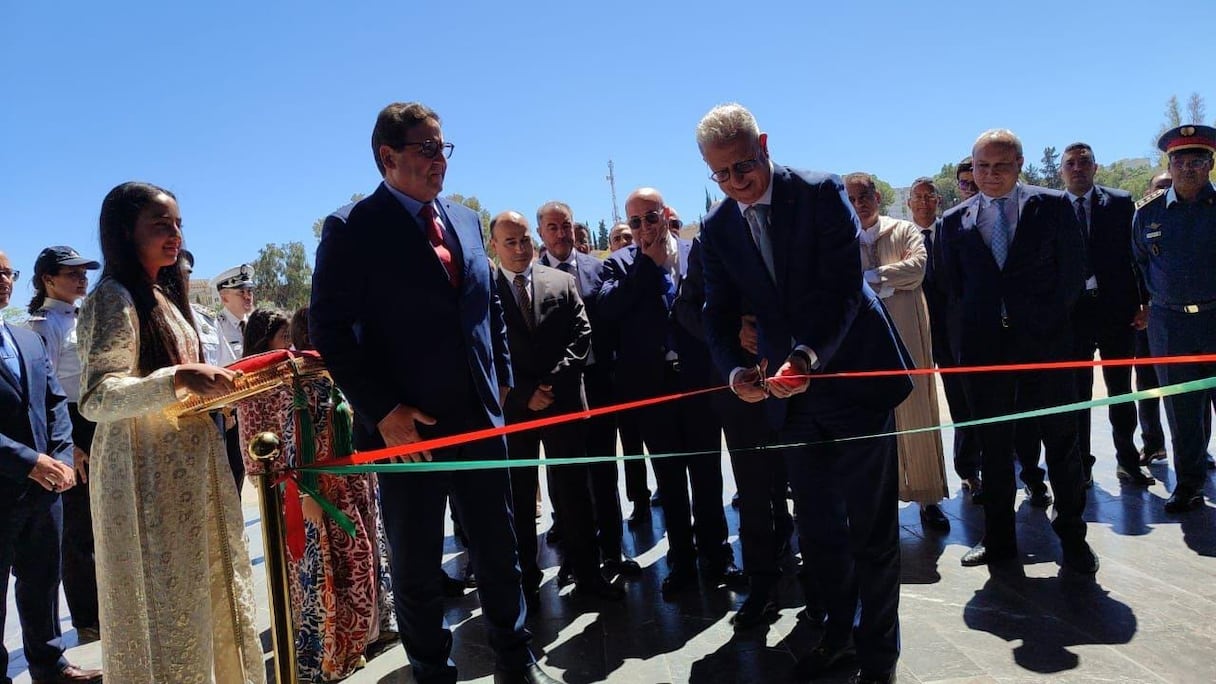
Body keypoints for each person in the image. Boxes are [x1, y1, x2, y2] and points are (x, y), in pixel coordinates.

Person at [309, 102, 556, 684]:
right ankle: (431, 671)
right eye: (426, 148)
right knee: (418, 566)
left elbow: (489, 307)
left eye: (443, 147)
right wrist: (383, 411)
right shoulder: (352, 228)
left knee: (499, 552)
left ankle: (516, 660)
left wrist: (500, 381)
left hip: (480, 422)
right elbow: (328, 330)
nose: (439, 159)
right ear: (387, 157)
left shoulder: (466, 220)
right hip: (408, 433)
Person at [696, 103, 912, 684]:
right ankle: (838, 637)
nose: (737, 183)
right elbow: (715, 313)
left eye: (745, 166)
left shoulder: (819, 192)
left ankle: (879, 660)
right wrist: (735, 372)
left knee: (871, 531)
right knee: (818, 532)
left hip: (851, 380)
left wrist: (806, 356)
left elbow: (845, 289)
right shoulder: (718, 227)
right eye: (722, 174)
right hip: (787, 400)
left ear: (763, 144)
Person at [77, 181, 263, 682]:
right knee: (167, 602)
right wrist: (176, 379)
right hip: (144, 477)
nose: (175, 234)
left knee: (209, 591)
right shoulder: (112, 297)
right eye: (161, 225)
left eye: (179, 224)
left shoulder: (164, 294)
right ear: (126, 232)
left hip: (190, 469)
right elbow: (97, 397)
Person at [938, 129, 1096, 574]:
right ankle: (999, 539)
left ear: (1020, 165)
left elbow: (1073, 274)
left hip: (1046, 348)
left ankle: (1073, 537)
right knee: (994, 449)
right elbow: (953, 288)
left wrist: (1041, 320)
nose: (990, 175)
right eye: (982, 166)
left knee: (1061, 444)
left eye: (1001, 166)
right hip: (986, 355)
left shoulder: (1053, 206)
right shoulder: (954, 221)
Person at [599, 187, 742, 597]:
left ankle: (718, 556)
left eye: (651, 217)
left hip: (698, 382)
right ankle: (681, 560)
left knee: (707, 474)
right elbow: (609, 309)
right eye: (635, 222)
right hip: (654, 390)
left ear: (665, 215)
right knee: (671, 480)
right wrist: (648, 265)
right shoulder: (619, 264)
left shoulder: (697, 252)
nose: (644, 227)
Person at [490, 210, 625, 609]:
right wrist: (523, 394)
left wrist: (549, 385)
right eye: (510, 242)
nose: (520, 249)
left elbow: (582, 336)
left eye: (524, 240)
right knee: (518, 497)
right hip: (514, 410)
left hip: (563, 403)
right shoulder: (483, 291)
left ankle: (588, 575)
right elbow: (485, 350)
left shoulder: (561, 282)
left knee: (575, 494)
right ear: (494, 246)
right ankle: (526, 582)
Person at [673, 235, 796, 629]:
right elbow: (686, 308)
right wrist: (732, 332)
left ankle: (820, 579)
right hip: (741, 386)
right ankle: (762, 586)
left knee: (806, 480)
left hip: (800, 378)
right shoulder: (713, 238)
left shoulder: (791, 221)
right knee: (753, 490)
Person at [0, 251, 102, 684]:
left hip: (44, 484)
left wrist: (60, 454)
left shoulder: (25, 339)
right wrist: (29, 460)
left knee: (42, 578)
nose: (4, 280)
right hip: (8, 479)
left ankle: (49, 663)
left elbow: (55, 400)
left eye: (8, 273)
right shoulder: (40, 328)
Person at [535, 201, 640, 572]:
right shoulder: (532, 277)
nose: (561, 234)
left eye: (566, 226)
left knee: (604, 469)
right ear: (540, 233)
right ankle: (576, 558)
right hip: (557, 391)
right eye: (552, 227)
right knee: (565, 477)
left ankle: (612, 551)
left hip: (599, 384)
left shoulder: (598, 268)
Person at [845, 173, 949, 532]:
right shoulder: (843, 239)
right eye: (851, 199)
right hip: (864, 342)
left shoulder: (903, 230)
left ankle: (928, 499)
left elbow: (916, 269)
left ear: (877, 197)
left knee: (918, 410)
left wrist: (870, 277)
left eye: (864, 196)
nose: (859, 205)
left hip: (908, 332)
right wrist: (889, 280)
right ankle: (878, 502)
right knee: (871, 420)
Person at [1131, 124, 1216, 513]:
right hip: (1170, 325)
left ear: (1209, 164)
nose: (1187, 168)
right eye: (1179, 161)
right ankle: (1189, 485)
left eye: (1196, 160)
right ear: (1169, 164)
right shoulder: (1147, 213)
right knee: (1181, 412)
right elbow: (1139, 263)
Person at [1060, 143, 1153, 486]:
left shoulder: (1119, 202)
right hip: (1073, 315)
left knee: (1121, 391)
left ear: (1095, 168)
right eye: (1071, 163)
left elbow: (1135, 257)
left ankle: (1128, 461)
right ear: (1062, 171)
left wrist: (1143, 302)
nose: (1078, 168)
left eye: (1084, 162)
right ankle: (1081, 466)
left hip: (1116, 310)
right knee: (1076, 393)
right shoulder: (1051, 207)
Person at [24, 246, 103, 642]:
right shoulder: (43, 325)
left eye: (84, 272)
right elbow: (45, 391)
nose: (81, 278)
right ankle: (88, 618)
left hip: (96, 418)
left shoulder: (85, 316)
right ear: (48, 280)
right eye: (71, 273)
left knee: (103, 520)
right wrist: (67, 443)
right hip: (71, 425)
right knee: (79, 529)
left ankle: (107, 606)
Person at [909, 178, 982, 501]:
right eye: (918, 197)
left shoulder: (954, 230)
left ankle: (969, 470)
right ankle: (922, 480)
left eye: (930, 196)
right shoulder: (900, 236)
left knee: (964, 401)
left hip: (957, 333)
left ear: (938, 200)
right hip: (917, 331)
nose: (924, 202)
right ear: (909, 203)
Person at [1134, 171, 1173, 465]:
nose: (1164, 192)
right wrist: (1142, 306)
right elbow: (1135, 266)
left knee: (1193, 388)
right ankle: (1153, 443)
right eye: (1159, 188)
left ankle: (1199, 450)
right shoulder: (1141, 220)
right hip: (1146, 317)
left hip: (1185, 320)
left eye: (1168, 187)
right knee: (1147, 384)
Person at [213, 263, 254, 492]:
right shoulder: (214, 327)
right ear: (224, 297)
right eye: (241, 292)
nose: (248, 296)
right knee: (234, 473)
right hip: (232, 412)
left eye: (249, 291)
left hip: (257, 406)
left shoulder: (256, 324)